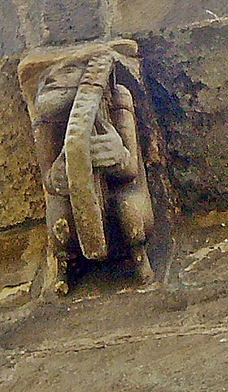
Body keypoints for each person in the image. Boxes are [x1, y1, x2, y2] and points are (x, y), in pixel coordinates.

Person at [19, 42, 154, 296]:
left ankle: (138, 257)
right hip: (75, 195)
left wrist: (118, 155)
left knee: (129, 212)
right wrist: (60, 171)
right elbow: (50, 181)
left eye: (67, 72)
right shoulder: (45, 120)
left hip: (118, 192)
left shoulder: (118, 98)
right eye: (45, 78)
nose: (51, 80)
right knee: (60, 219)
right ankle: (64, 265)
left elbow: (130, 170)